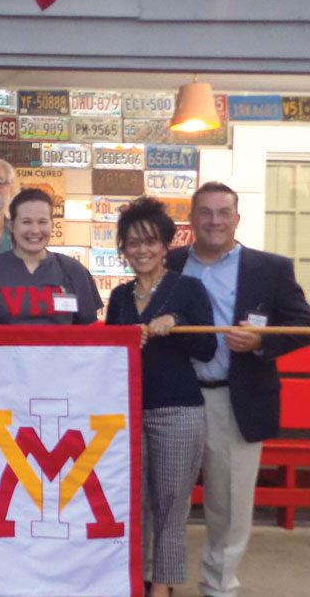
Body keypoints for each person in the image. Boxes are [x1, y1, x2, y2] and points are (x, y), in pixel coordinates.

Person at [164, 182, 310, 597]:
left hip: (237, 397)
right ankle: (160, 581)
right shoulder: (168, 263)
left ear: (237, 219)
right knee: (165, 496)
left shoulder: (271, 268)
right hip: (176, 397)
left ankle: (219, 585)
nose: (214, 221)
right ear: (191, 221)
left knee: (229, 507)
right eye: (205, 213)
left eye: (223, 212)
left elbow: (302, 324)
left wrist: (263, 341)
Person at [104, 197, 217, 597]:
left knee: (170, 504)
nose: (142, 250)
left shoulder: (188, 288)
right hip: (128, 412)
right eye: (133, 243)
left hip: (178, 411)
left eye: (150, 241)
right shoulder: (118, 297)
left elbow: (207, 350)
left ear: (166, 244)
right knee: (130, 500)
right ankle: (134, 578)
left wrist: (178, 323)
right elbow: (109, 354)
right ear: (123, 249)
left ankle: (162, 586)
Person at [0, 188, 102, 329]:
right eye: (26, 222)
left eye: (42, 222)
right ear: (12, 226)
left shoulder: (74, 271)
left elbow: (90, 332)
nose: (35, 230)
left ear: (52, 224)